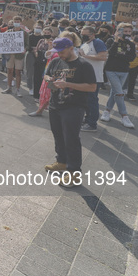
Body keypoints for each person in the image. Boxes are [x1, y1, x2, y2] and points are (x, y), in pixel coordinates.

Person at [43, 38, 97, 187]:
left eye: (62, 51)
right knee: (58, 135)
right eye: (57, 52)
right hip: (55, 105)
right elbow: (46, 75)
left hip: (74, 106)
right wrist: (50, 79)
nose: (59, 54)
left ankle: (74, 173)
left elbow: (92, 87)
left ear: (71, 47)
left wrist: (67, 84)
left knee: (71, 139)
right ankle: (61, 161)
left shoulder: (84, 65)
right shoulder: (55, 61)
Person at [101, 23, 136, 128]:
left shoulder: (131, 44)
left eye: (129, 32)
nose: (127, 33)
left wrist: (119, 55)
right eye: (125, 31)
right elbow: (110, 53)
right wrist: (116, 41)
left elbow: (131, 58)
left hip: (124, 71)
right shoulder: (111, 41)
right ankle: (124, 116)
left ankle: (107, 111)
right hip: (111, 70)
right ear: (119, 30)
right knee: (120, 93)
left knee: (115, 91)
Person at [78, 26, 107, 132]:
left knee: (92, 100)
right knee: (86, 100)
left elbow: (103, 57)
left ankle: (92, 124)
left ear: (93, 34)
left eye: (85, 35)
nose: (83, 36)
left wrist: (85, 56)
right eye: (82, 34)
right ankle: (87, 119)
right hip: (84, 77)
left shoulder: (98, 43)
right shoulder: (84, 44)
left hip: (94, 77)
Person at [1, 16, 29, 97]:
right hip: (10, 55)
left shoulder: (24, 33)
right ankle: (9, 87)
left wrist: (25, 49)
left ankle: (18, 89)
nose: (16, 22)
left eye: (18, 21)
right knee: (9, 71)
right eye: (15, 21)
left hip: (19, 55)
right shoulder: (8, 32)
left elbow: (27, 45)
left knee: (18, 72)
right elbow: (3, 42)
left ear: (21, 22)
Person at [124, 30, 138, 101]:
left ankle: (130, 94)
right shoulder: (127, 43)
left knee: (132, 80)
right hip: (126, 64)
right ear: (132, 36)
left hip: (136, 65)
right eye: (137, 36)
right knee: (123, 80)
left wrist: (137, 55)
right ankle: (119, 92)